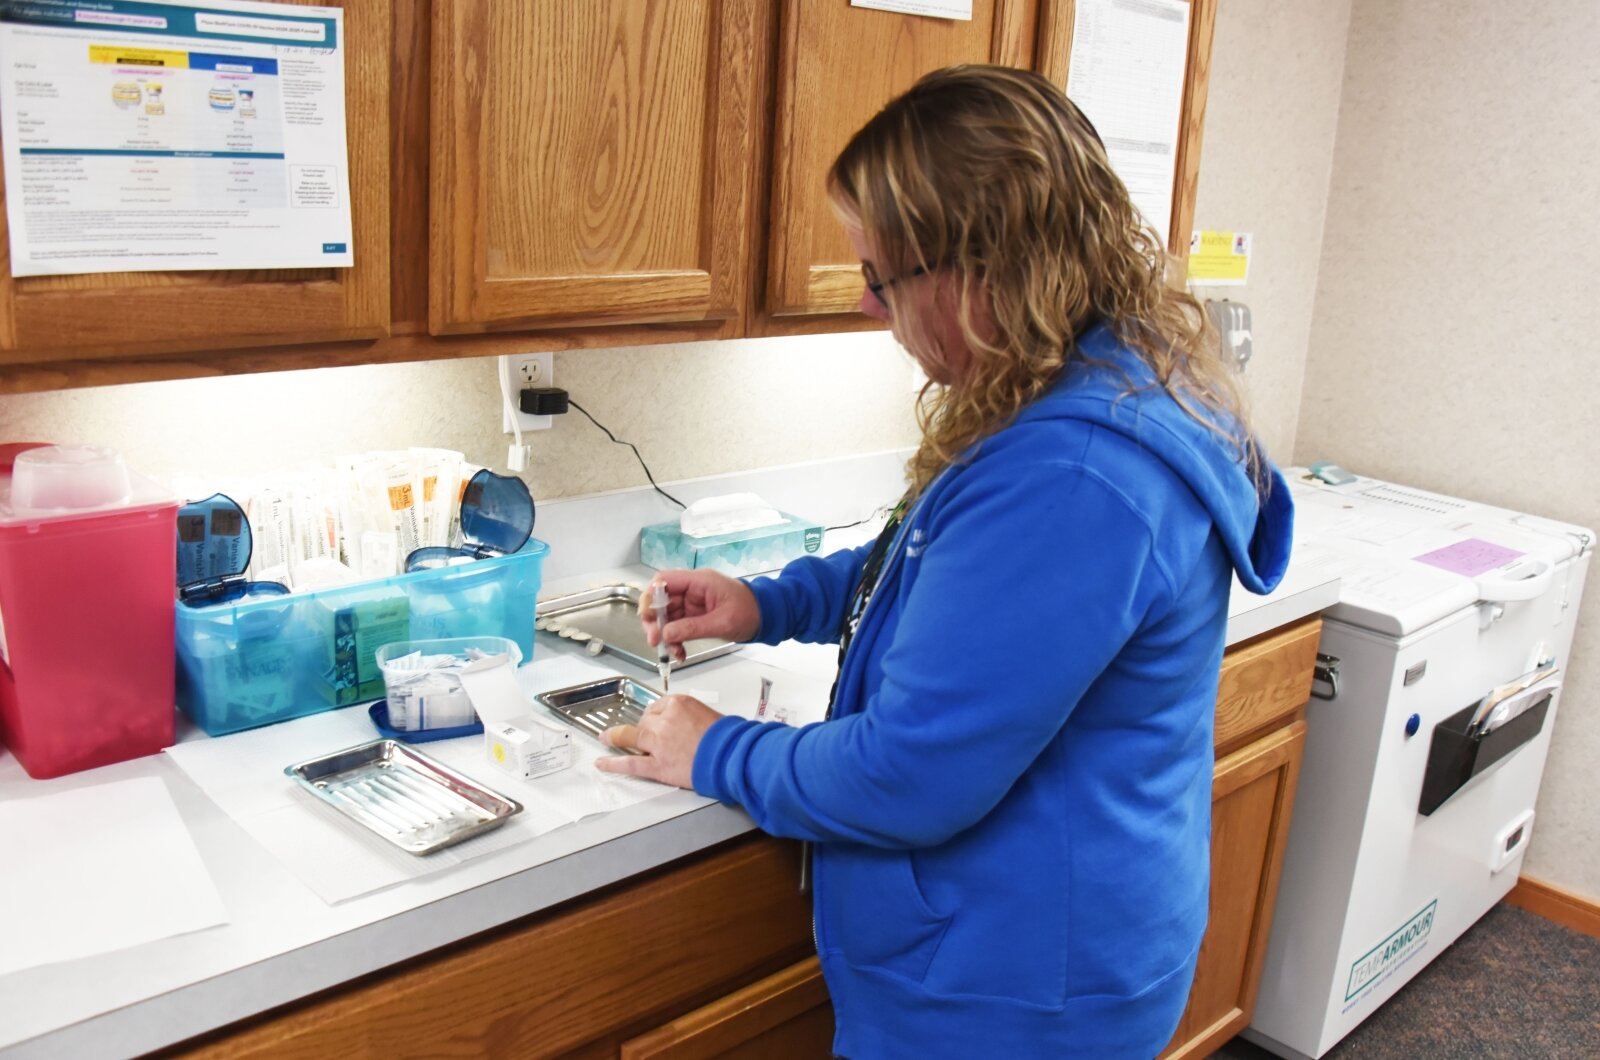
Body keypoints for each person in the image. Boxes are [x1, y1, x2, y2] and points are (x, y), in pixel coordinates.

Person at [595, 64, 1293, 1059]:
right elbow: (933, 567)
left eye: (881, 275)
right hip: (1045, 945)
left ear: (982, 267)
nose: (869, 305)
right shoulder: (1087, 377)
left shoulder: (1074, 479)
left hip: (1012, 994)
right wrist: (766, 602)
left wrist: (711, 747)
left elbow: (906, 775)